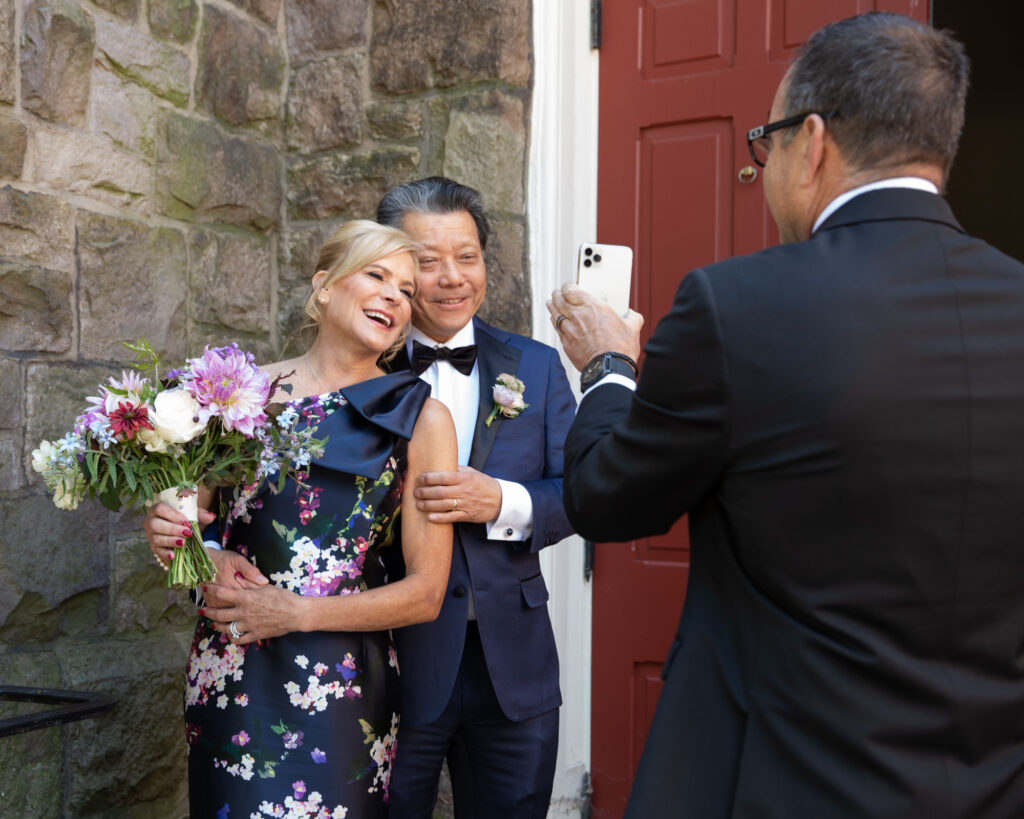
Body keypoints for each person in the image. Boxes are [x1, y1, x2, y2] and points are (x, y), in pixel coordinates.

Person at [550, 12, 1024, 819]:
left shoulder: (737, 306)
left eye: (764, 144)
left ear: (812, 141)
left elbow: (606, 497)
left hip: (784, 780)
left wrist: (607, 367)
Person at [144, 219, 457, 818]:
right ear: (324, 286)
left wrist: (297, 612)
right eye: (377, 275)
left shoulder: (423, 418)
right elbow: (188, 529)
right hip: (232, 669)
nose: (395, 295)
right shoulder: (235, 396)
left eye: (407, 290)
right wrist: (186, 545)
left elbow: (426, 593)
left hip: (339, 687)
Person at [375, 176, 576, 818]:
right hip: (389, 663)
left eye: (467, 257)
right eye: (427, 261)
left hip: (513, 666)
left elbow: (586, 493)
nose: (452, 277)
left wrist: (504, 502)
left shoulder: (538, 367)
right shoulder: (354, 371)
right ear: (394, 267)